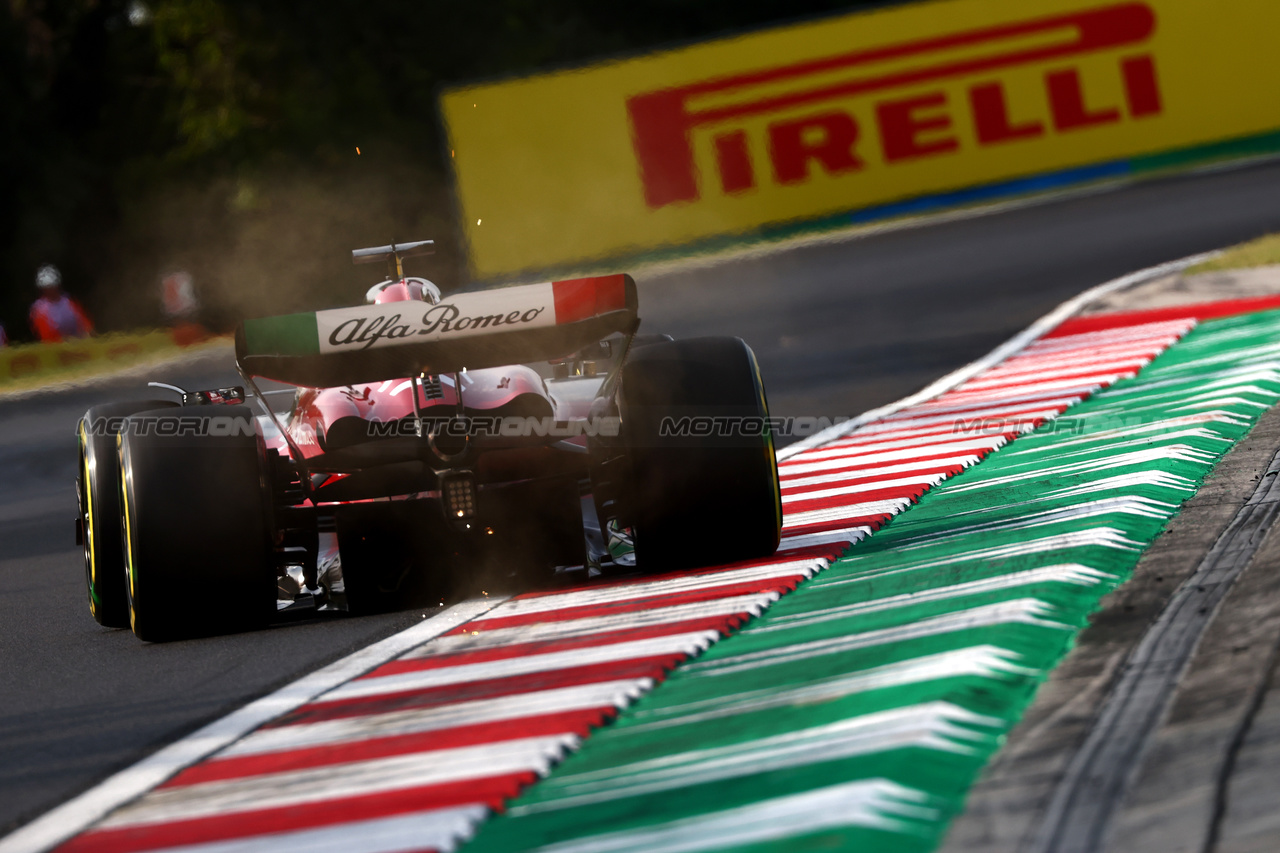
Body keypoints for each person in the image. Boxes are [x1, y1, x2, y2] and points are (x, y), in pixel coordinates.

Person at [29, 264, 93, 343]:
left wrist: (87, 336)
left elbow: (85, 323)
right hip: (59, 349)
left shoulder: (69, 301)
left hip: (80, 344)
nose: (50, 290)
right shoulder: (39, 309)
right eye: (47, 288)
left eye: (52, 287)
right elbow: (46, 337)